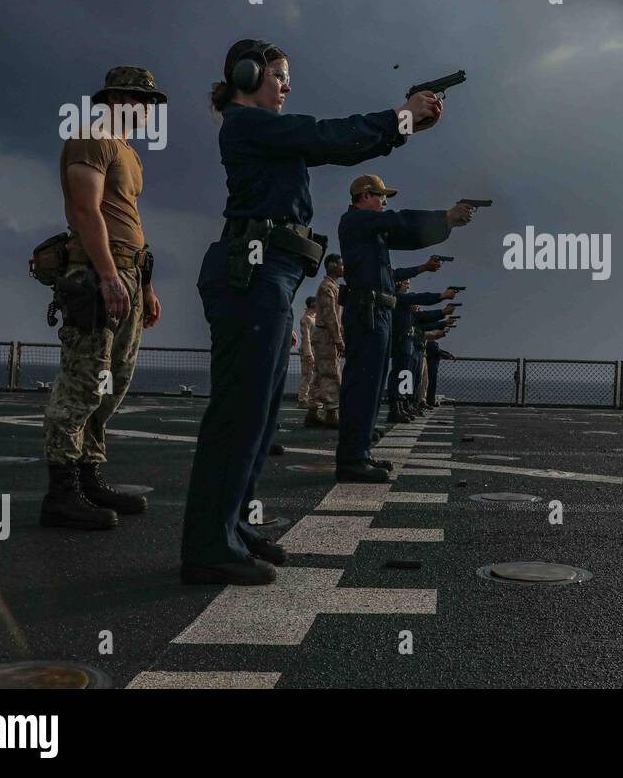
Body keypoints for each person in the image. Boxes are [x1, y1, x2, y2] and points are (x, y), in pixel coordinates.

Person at [180, 39, 444, 586]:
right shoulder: (246, 124)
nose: (286, 85)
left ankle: (232, 526)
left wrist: (404, 125)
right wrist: (401, 117)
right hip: (252, 275)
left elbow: (337, 145)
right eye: (278, 74)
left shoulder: (265, 133)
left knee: (258, 411)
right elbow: (328, 137)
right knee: (240, 411)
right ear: (246, 74)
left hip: (268, 274)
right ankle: (209, 544)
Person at [42, 67, 164, 530]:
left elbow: (126, 218)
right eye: (139, 99)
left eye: (151, 102)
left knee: (113, 382)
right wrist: (109, 276)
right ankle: (61, 492)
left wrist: (144, 284)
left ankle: (88, 474)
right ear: (113, 98)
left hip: (128, 271)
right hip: (97, 272)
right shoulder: (91, 138)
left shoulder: (128, 153)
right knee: (83, 380)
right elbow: (85, 209)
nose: (147, 109)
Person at [335, 175, 473, 482]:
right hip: (368, 310)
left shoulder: (371, 230)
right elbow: (402, 222)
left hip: (377, 311)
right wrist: (445, 216)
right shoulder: (356, 221)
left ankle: (360, 453)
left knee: (370, 385)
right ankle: (352, 458)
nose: (385, 203)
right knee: (364, 384)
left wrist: (445, 226)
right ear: (365, 196)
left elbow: (409, 236)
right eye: (381, 196)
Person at [386, 280, 456, 423]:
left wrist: (442, 317)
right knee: (401, 376)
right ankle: (397, 407)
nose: (408, 285)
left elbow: (425, 318)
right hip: (402, 345)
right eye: (405, 283)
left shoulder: (408, 312)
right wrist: (442, 299)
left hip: (409, 347)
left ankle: (403, 405)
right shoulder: (399, 302)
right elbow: (422, 308)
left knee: (408, 378)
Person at [305, 256, 345, 427]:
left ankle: (312, 412)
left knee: (319, 375)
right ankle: (331, 413)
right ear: (332, 266)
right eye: (341, 264)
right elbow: (331, 317)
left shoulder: (332, 287)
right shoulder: (327, 287)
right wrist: (338, 339)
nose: (344, 267)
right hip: (326, 336)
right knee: (331, 374)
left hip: (323, 335)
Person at [297, 296, 317, 406]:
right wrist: (308, 354)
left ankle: (308, 397)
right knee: (307, 375)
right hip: (308, 350)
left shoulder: (314, 317)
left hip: (315, 349)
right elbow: (306, 338)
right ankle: (302, 399)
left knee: (312, 375)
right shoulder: (306, 319)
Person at [425, 331, 454, 408]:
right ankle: (430, 401)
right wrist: (449, 356)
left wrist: (449, 355)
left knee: (430, 385)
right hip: (431, 367)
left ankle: (430, 401)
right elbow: (438, 351)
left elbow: (439, 350)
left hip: (432, 366)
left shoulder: (430, 343)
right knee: (430, 385)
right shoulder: (431, 343)